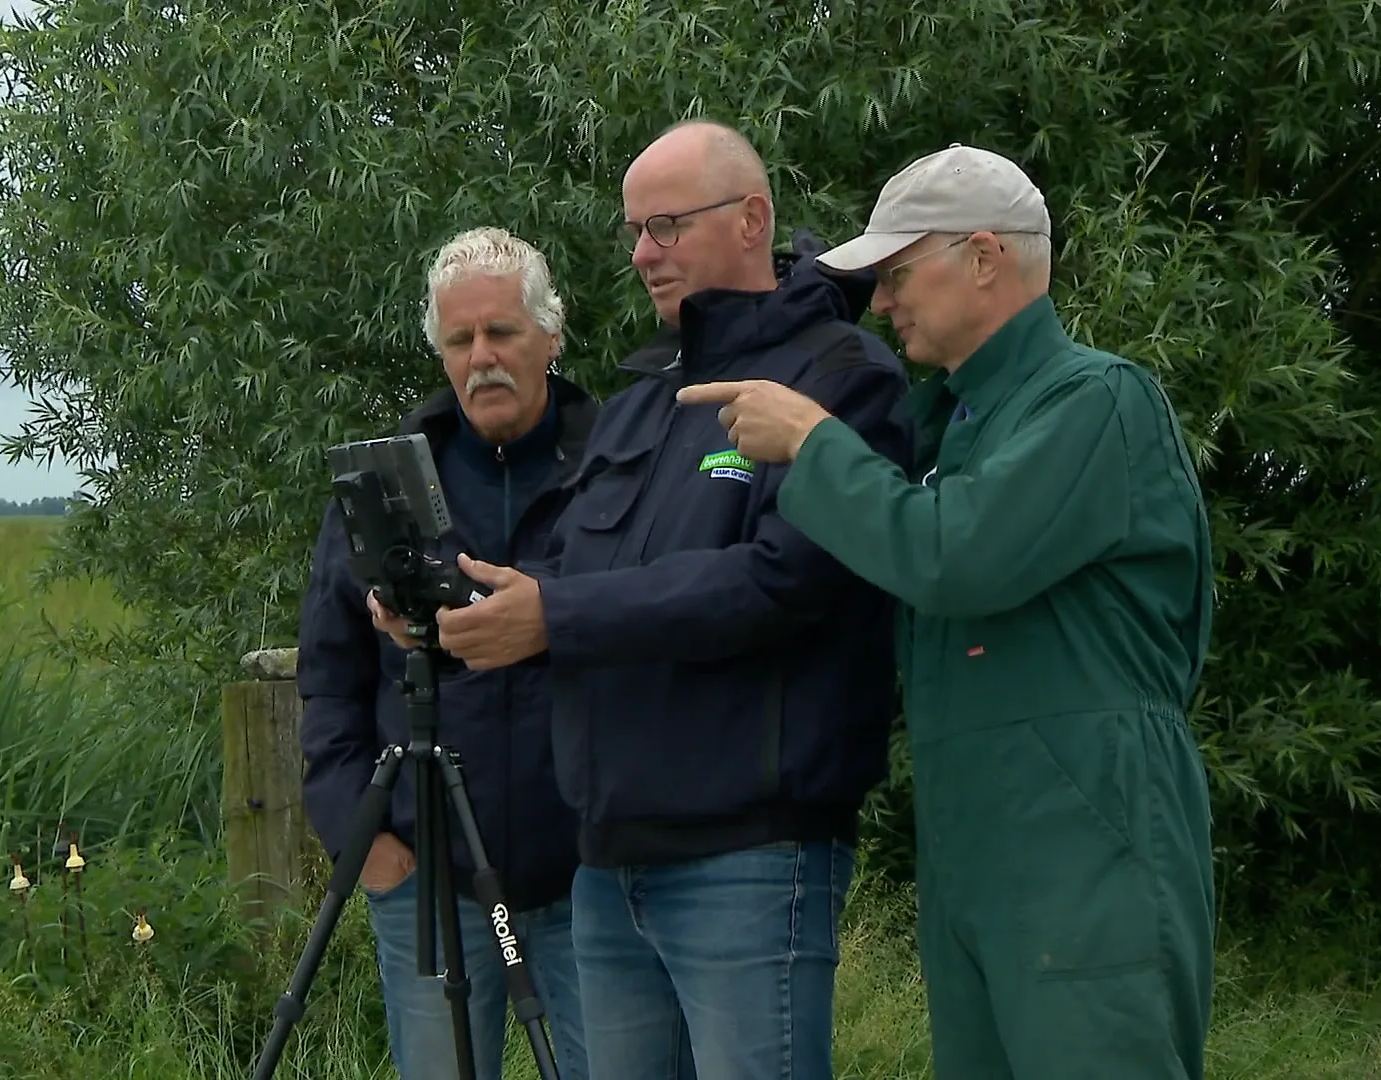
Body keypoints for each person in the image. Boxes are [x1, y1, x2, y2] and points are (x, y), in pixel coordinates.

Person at [379, 120, 915, 1079]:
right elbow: (576, 584)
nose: (640, 254)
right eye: (635, 231)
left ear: (752, 219)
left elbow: (780, 581)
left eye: (664, 226)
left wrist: (555, 616)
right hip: (607, 864)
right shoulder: (639, 402)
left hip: (749, 854)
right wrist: (461, 616)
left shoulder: (841, 378)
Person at [678, 143, 1218, 1079]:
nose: (883, 303)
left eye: (897, 273)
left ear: (984, 257)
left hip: (1086, 836)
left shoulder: (1095, 399)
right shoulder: (949, 423)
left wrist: (813, 440)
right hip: (976, 842)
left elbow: (952, 554)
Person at [296, 226, 595, 1079]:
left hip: (586, 872)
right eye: (460, 340)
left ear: (550, 336)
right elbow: (329, 677)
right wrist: (363, 840)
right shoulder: (381, 485)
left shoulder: (615, 464)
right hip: (427, 878)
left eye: (501, 333)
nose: (482, 358)